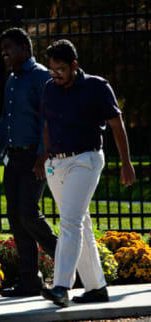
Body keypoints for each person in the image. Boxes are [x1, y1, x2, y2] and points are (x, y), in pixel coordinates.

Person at [40, 39, 136, 307]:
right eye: (51, 69)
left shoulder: (97, 86)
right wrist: (47, 156)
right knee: (80, 223)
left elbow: (117, 126)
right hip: (56, 164)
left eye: (60, 69)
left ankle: (61, 286)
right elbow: (46, 123)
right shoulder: (50, 88)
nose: (55, 74)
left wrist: (126, 164)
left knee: (69, 222)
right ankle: (96, 288)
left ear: (74, 65)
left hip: (86, 159)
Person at [0, 27, 58, 297]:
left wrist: (42, 155)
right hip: (14, 157)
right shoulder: (12, 79)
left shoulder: (41, 77)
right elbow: (6, 121)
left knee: (28, 212)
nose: (4, 54)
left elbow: (48, 119)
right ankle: (29, 281)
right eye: (2, 50)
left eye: (8, 49)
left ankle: (68, 262)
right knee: (15, 216)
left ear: (24, 48)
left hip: (35, 158)